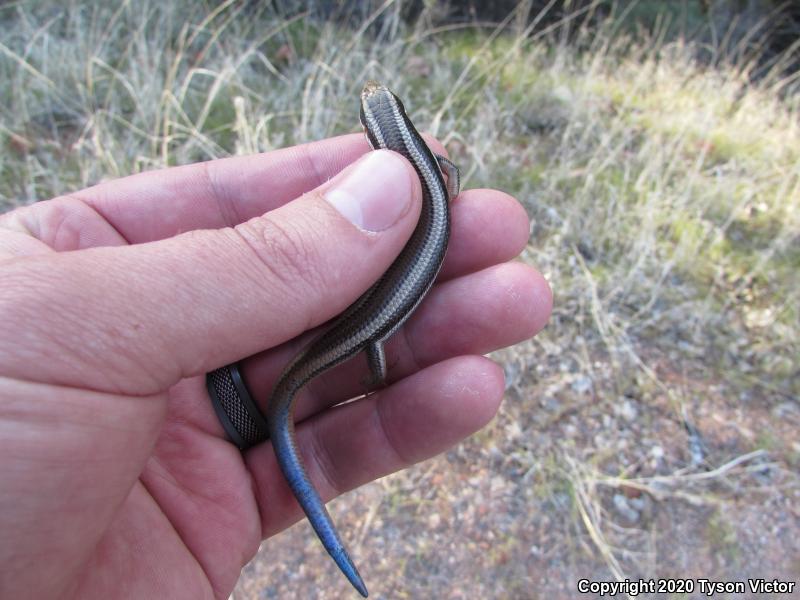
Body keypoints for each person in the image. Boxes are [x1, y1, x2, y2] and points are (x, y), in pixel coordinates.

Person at [0, 133, 552, 598]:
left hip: (370, 326)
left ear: (383, 134)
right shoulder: (430, 173)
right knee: (367, 333)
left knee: (368, 332)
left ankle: (371, 368)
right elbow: (447, 177)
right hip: (369, 326)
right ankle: (369, 369)